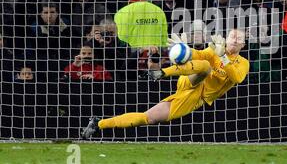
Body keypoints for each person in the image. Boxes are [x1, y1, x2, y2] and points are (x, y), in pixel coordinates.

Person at [81, 29, 250, 138]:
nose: (235, 39)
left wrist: (223, 58)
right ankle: (161, 72)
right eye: (233, 36)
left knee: (148, 118)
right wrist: (184, 48)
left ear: (243, 43)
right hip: (189, 79)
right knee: (205, 66)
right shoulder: (214, 50)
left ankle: (98, 124)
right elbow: (197, 55)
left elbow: (236, 78)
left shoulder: (242, 62)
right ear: (226, 38)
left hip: (195, 96)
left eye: (239, 38)